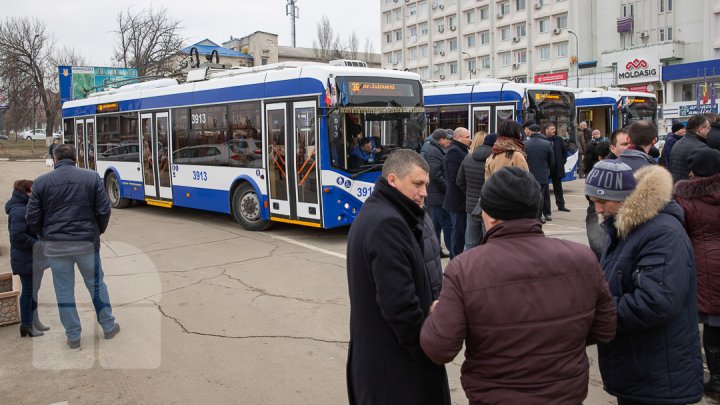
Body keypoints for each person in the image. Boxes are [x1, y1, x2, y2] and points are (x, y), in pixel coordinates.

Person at [420, 167, 616, 404]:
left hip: (494, 395)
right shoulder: (583, 259)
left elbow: (440, 348)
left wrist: (436, 315)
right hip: (566, 394)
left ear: (490, 216)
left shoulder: (464, 269)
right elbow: (605, 328)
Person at [585, 161, 704, 405]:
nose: (597, 208)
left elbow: (656, 302)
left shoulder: (661, 233)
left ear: (623, 198)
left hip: (658, 374)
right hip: (638, 366)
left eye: (603, 200)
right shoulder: (622, 227)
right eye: (592, 200)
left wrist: (595, 312)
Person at [346, 149, 451, 405]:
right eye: (418, 184)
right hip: (395, 370)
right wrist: (428, 351)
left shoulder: (386, 213)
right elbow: (399, 307)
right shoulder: (387, 224)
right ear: (393, 180)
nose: (425, 192)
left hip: (386, 363)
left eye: (426, 184)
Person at [26, 144, 120, 349]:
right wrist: (97, 231)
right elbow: (104, 209)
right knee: (96, 286)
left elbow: (31, 217)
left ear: (54, 158)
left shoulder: (41, 182)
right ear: (76, 158)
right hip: (86, 244)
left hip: (56, 247)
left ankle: (74, 336)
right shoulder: (92, 177)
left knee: (64, 291)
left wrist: (44, 236)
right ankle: (109, 326)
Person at [673, 147, 720, 397]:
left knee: (712, 323)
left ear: (693, 170)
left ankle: (717, 380)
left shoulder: (685, 197)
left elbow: (679, 231)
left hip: (703, 264)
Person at [5, 179, 50, 337]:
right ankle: (26, 325)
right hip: (26, 259)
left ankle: (33, 321)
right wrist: (38, 244)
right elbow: (17, 236)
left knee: (33, 291)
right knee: (28, 292)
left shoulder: (25, 207)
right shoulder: (18, 211)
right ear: (25, 192)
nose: (34, 194)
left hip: (32, 258)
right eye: (32, 191)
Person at [457, 132, 493, 250]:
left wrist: (468, 194)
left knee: (470, 241)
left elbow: (459, 181)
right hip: (488, 205)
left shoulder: (467, 158)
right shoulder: (493, 159)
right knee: (488, 241)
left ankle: (466, 266)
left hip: (471, 205)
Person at [421, 128, 453, 257]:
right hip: (438, 195)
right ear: (441, 140)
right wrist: (446, 187)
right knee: (447, 223)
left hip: (435, 194)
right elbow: (434, 173)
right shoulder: (434, 152)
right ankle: (453, 252)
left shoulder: (436, 150)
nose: (449, 142)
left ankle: (436, 251)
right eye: (447, 139)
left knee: (436, 225)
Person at [442, 127, 471, 258]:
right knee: (458, 231)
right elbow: (455, 178)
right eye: (467, 137)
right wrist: (467, 192)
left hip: (459, 199)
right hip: (457, 200)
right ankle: (455, 258)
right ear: (459, 138)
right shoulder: (455, 152)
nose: (470, 139)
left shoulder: (460, 150)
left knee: (460, 230)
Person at [583, 141, 611, 260]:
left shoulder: (590, 172)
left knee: (597, 252)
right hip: (599, 217)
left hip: (592, 214)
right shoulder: (602, 173)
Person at [524, 121, 554, 223]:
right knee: (541, 196)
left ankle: (531, 216)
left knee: (530, 196)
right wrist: (546, 168)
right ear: (540, 131)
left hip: (529, 174)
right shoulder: (547, 143)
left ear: (530, 132)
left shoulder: (524, 144)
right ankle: (539, 216)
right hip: (543, 174)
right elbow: (551, 161)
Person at [670, 113, 713, 182]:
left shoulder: (677, 144)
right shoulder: (700, 148)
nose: (710, 130)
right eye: (708, 127)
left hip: (678, 187)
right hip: (691, 189)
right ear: (701, 129)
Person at [544, 122, 571, 212]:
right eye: (551, 129)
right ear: (546, 130)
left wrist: (563, 161)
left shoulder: (558, 139)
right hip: (546, 168)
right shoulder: (543, 140)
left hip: (557, 167)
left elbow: (564, 151)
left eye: (554, 129)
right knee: (545, 188)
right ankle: (545, 208)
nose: (553, 131)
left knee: (558, 187)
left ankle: (561, 205)